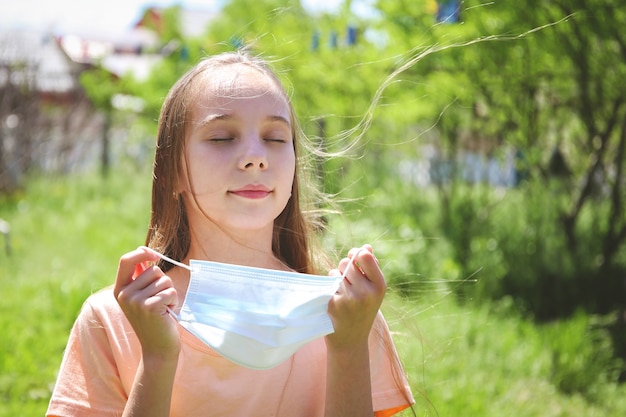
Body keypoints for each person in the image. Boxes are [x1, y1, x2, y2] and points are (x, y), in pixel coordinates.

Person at [47, 50, 414, 417]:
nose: (256, 157)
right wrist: (157, 359)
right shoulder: (112, 319)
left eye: (275, 138)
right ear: (172, 169)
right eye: (222, 138)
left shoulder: (350, 316)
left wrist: (349, 349)